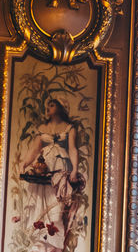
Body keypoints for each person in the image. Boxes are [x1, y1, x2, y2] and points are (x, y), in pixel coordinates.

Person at [17, 97, 85, 251]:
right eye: (47, 105)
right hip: (43, 173)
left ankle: (55, 247)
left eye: (52, 105)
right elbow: (34, 150)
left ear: (61, 107)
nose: (48, 108)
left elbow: (73, 149)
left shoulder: (69, 128)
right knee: (40, 208)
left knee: (56, 210)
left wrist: (74, 169)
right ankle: (40, 247)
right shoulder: (42, 128)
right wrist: (24, 164)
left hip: (59, 173)